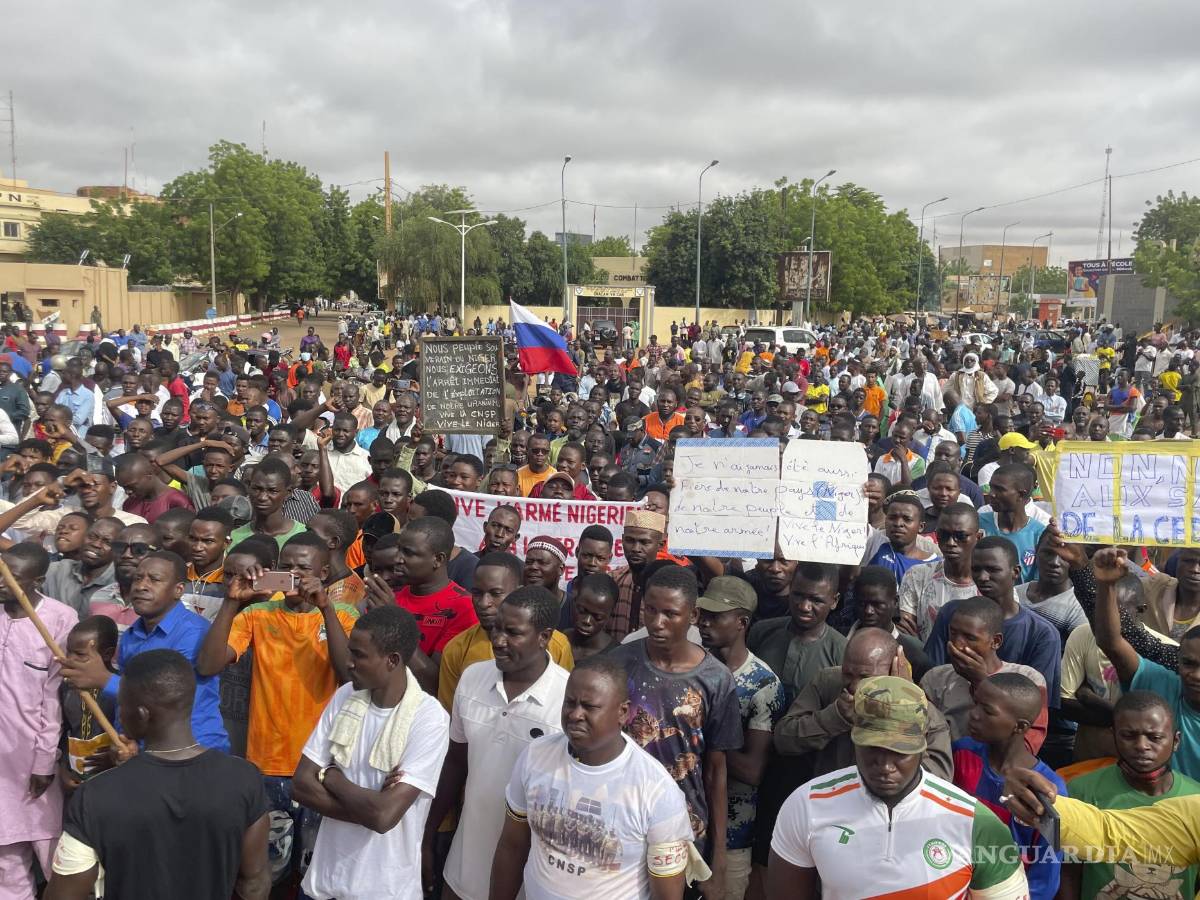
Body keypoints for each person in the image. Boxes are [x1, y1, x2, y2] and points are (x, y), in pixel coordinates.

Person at [767, 675, 1028, 899]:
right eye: (873, 749)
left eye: (900, 752)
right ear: (854, 739)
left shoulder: (977, 824)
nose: (885, 765)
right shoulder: (807, 805)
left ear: (923, 744)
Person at [46, 649, 270, 900]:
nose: (119, 714)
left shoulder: (95, 796)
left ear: (142, 714)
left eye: (122, 705)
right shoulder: (244, 780)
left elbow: (62, 895)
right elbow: (254, 884)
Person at [197, 532, 358, 878]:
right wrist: (230, 601)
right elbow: (208, 665)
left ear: (324, 574)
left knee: (315, 873)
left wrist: (324, 606)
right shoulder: (258, 614)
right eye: (286, 567)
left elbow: (349, 674)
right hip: (265, 765)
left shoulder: (342, 614)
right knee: (263, 873)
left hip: (321, 766)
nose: (295, 574)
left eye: (304, 568)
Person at [489, 657, 698, 900]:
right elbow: (512, 846)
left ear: (622, 712)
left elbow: (667, 896)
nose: (575, 714)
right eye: (570, 703)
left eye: (589, 706)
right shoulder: (535, 756)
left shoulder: (657, 791)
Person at [292, 606, 450, 900]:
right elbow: (301, 784)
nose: (348, 663)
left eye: (359, 655)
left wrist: (331, 777)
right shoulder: (345, 697)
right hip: (321, 885)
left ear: (392, 660)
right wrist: (369, 808)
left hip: (383, 890)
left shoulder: (429, 718)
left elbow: (384, 816)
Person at [427, 586, 571, 900]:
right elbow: (455, 763)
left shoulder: (567, 700)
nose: (498, 641)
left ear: (544, 637)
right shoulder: (472, 678)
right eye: (495, 629)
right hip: (464, 865)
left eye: (513, 632)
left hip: (531, 879)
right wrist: (426, 837)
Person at [608, 566, 743, 898]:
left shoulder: (715, 680)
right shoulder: (618, 664)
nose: (657, 622)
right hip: (619, 823)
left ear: (693, 615)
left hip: (683, 835)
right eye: (650, 610)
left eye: (670, 613)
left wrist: (719, 860)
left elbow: (715, 770)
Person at [60, 551, 230, 753]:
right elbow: (126, 707)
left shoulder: (194, 632)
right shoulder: (133, 634)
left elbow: (167, 697)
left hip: (192, 751)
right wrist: (123, 741)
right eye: (138, 578)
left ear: (178, 590)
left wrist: (104, 679)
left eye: (154, 580)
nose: (141, 586)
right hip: (146, 751)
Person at [1058, 689, 1200, 898]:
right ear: (1113, 735)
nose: (1142, 746)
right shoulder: (1080, 790)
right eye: (1129, 736)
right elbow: (1068, 873)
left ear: (1176, 741)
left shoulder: (1194, 798)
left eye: (1154, 737)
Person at [695, 576, 787, 900]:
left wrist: (697, 739)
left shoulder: (762, 683)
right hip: (685, 827)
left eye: (715, 616)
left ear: (741, 623)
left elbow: (752, 770)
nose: (704, 623)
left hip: (734, 836)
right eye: (702, 614)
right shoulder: (691, 668)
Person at [0, 543, 77, 898]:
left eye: (12, 578)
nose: (2, 583)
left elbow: (54, 696)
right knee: (6, 860)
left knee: (52, 854)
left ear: (38, 581)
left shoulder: (60, 619)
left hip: (33, 758)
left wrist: (45, 760)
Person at [1088, 545, 1200, 780]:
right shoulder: (1161, 684)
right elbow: (1111, 642)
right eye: (1189, 664)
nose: (1196, 675)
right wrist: (1106, 585)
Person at [952, 672, 1066, 899]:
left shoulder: (1050, 788)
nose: (974, 715)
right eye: (976, 704)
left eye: (987, 710)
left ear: (1020, 726)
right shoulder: (960, 753)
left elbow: (1045, 876)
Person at [924, 536, 1062, 711]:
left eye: (993, 570)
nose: (982, 577)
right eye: (976, 569)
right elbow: (934, 674)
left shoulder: (1042, 634)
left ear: (1016, 572)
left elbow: (1035, 708)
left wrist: (981, 679)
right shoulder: (952, 614)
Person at [435, 551, 574, 710]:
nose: (483, 603)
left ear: (517, 591)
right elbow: (449, 714)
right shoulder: (456, 649)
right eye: (477, 593)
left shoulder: (556, 645)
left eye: (495, 593)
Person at [920, 595, 1049, 752]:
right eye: (953, 633)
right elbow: (924, 738)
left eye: (970, 637)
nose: (958, 645)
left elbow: (1026, 749)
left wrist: (981, 682)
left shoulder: (1028, 680)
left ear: (996, 641)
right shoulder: (935, 679)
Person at [748, 561, 848, 704]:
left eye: (816, 600)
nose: (804, 606)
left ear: (834, 601)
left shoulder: (842, 651)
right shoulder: (761, 632)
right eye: (798, 595)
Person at [898, 503, 981, 643]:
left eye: (960, 536)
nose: (951, 543)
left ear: (978, 537)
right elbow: (908, 635)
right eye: (943, 535)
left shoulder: (991, 581)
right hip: (924, 661)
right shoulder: (916, 576)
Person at [979, 464, 1044, 584]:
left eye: (999, 489)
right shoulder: (978, 524)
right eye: (991, 488)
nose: (991, 494)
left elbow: (1038, 583)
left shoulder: (1039, 534)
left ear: (1021, 495)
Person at [115, 452, 194, 520]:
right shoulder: (129, 503)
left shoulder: (177, 501)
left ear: (149, 475)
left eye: (131, 486)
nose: (127, 491)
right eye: (123, 487)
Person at [563, 572, 619, 661]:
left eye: (598, 617)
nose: (587, 621)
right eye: (581, 611)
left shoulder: (616, 655)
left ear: (610, 615)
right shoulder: (556, 641)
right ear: (574, 601)